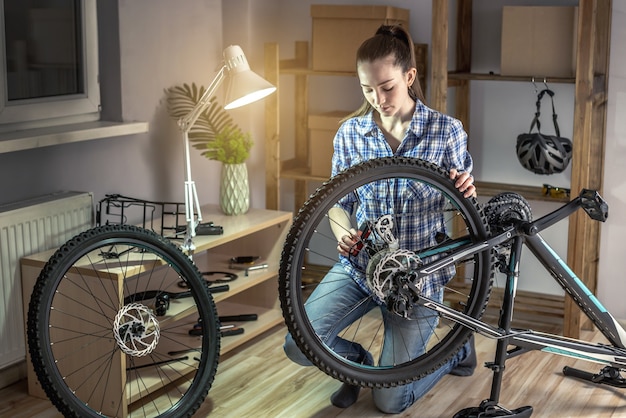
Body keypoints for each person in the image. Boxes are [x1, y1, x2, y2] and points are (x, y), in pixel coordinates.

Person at [283, 24, 477, 414]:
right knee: (298, 344)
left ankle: (456, 353)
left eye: (387, 87)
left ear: (409, 76)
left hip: (418, 277)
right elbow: (337, 202)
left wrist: (465, 186)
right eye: (367, 90)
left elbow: (465, 197)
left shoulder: (445, 131)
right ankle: (358, 368)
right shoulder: (350, 133)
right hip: (362, 265)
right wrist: (345, 233)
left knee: (390, 401)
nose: (378, 98)